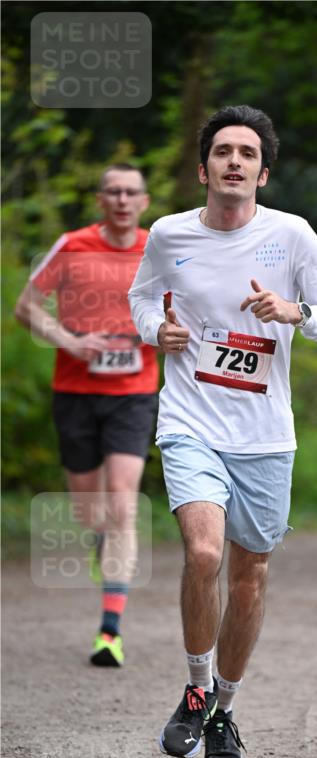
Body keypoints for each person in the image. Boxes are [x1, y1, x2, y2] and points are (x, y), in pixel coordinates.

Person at [129, 105, 317, 758]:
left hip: (263, 436)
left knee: (250, 576)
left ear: (263, 173)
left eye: (248, 153)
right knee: (203, 553)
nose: (235, 160)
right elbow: (143, 300)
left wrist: (296, 311)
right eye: (224, 151)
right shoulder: (168, 235)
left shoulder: (291, 237)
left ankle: (225, 711)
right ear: (204, 169)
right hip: (190, 421)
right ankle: (197, 686)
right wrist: (157, 332)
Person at [15, 164, 157, 665]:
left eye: (130, 192)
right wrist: (72, 343)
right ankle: (101, 539)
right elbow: (26, 307)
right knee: (88, 510)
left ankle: (110, 630)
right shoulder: (72, 245)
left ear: (144, 201)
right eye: (112, 191)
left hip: (133, 393)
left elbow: (187, 308)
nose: (121, 199)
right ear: (101, 200)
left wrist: (161, 331)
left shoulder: (159, 250)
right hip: (74, 391)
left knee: (123, 501)